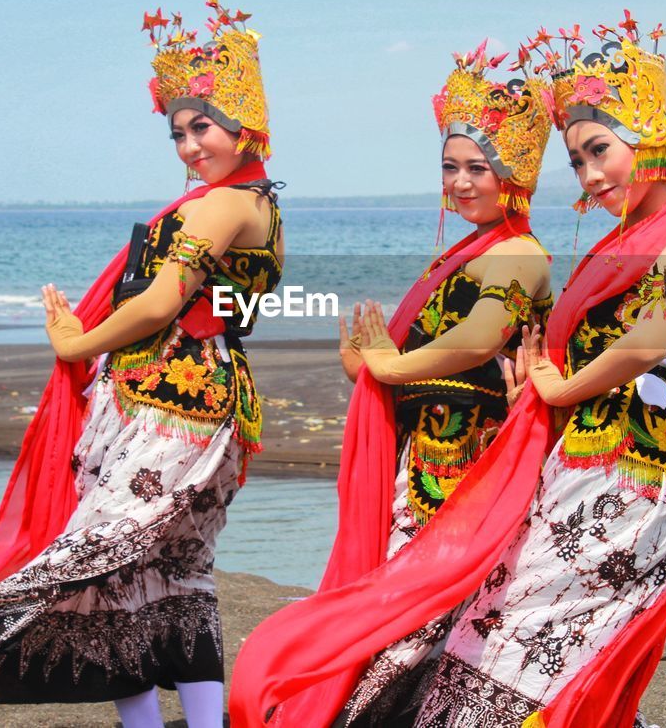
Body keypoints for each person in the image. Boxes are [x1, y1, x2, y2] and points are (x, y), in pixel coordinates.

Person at [0, 0, 282, 728]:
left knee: (102, 564)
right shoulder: (253, 201)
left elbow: (163, 302)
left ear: (243, 122)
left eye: (204, 126)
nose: (192, 145)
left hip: (177, 407)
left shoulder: (222, 206)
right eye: (179, 133)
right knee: (172, 578)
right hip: (196, 402)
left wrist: (76, 342)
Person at [230, 41, 554, 727]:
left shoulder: (521, 256)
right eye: (450, 168)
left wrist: (386, 365)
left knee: (427, 622)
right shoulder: (461, 255)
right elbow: (430, 364)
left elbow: (477, 339)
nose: (462, 182)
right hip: (427, 466)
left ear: (514, 174)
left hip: (480, 470)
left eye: (478, 168)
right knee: (400, 616)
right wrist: (366, 366)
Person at [411, 13, 666, 728]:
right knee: (528, 627)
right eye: (577, 159)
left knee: (533, 628)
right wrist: (537, 388)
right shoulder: (626, 241)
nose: (588, 174)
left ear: (650, 135)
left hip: (639, 472)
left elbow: (647, 343)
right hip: (586, 456)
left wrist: (559, 387)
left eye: (599, 150)